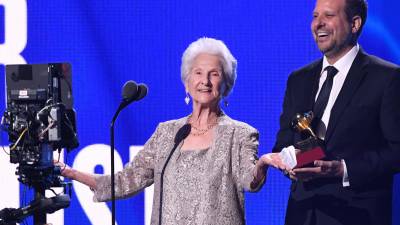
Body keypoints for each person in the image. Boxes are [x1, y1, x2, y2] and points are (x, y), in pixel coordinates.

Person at [57, 37, 287, 225]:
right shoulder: (167, 133)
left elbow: (250, 181)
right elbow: (128, 179)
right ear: (186, 82)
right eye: (198, 73)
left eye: (214, 74)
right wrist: (71, 172)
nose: (205, 81)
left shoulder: (241, 134)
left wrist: (263, 162)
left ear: (226, 85)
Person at [273, 0, 400, 224]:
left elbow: (397, 150)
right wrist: (289, 162)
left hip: (358, 215)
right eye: (314, 16)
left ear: (355, 24)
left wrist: (343, 169)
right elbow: (284, 141)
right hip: (302, 214)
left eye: (328, 16)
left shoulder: (387, 78)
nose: (318, 24)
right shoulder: (298, 80)